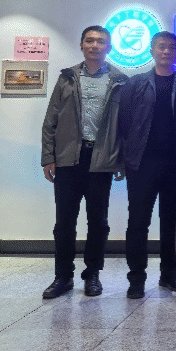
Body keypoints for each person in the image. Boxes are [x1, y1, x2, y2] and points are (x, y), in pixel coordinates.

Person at [41, 25, 127, 299]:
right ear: (81, 45)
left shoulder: (119, 81)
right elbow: (50, 120)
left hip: (100, 159)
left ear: (109, 47)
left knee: (98, 222)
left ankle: (92, 275)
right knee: (64, 222)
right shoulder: (67, 78)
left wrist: (121, 159)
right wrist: (48, 157)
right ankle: (63, 276)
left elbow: (125, 126)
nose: (94, 45)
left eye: (100, 41)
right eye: (89, 40)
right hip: (68, 158)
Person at [118, 31, 176, 299]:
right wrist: (123, 159)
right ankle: (136, 279)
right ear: (151, 51)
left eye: (171, 47)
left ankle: (169, 275)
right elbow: (123, 122)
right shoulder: (135, 84)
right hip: (141, 164)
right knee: (138, 222)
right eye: (161, 47)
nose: (166, 51)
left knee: (172, 222)